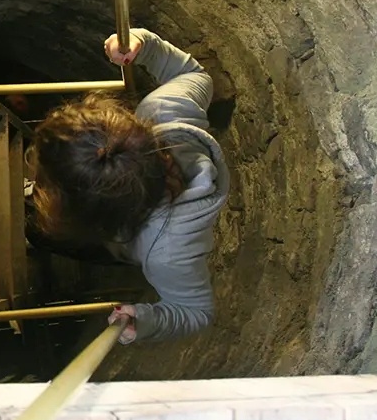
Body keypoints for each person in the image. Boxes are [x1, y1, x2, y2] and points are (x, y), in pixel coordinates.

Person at [27, 29, 229, 344]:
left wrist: (149, 320)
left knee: (40, 236)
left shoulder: (167, 254)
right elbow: (193, 75)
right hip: (123, 228)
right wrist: (140, 44)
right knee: (40, 234)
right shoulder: (165, 109)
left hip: (124, 243)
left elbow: (196, 312)